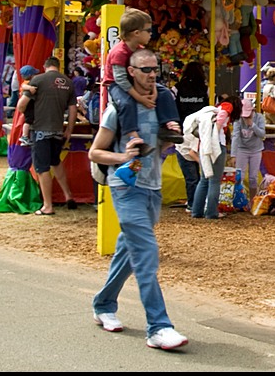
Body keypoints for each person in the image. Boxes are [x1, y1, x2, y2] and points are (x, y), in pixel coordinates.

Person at [87, 48, 188, 350]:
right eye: (145, 69)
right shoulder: (118, 108)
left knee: (128, 252)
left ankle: (103, 304)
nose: (151, 74)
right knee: (146, 253)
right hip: (125, 186)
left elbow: (167, 143)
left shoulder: (163, 104)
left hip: (152, 188)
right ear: (130, 71)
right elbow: (95, 152)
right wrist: (123, 155)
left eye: (155, 69)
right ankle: (158, 327)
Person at [103, 7, 183, 152]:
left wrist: (154, 91)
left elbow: (149, 73)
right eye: (148, 30)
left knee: (164, 92)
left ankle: (168, 124)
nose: (150, 34)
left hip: (136, 82)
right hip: (117, 85)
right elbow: (120, 79)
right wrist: (140, 98)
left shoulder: (139, 49)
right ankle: (133, 136)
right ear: (136, 33)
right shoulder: (119, 52)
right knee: (126, 103)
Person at [16, 56, 78, 215]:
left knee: (42, 168)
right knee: (55, 161)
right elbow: (73, 109)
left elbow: (21, 105)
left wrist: (29, 112)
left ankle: (47, 206)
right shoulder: (68, 83)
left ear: (45, 66)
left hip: (41, 129)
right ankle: (68, 195)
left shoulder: (38, 81)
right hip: (58, 129)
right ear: (58, 66)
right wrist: (69, 130)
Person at [190, 96, 242, 219]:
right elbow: (224, 113)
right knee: (214, 180)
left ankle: (196, 211)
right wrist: (216, 130)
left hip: (204, 145)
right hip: (217, 145)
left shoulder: (214, 109)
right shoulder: (227, 106)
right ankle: (211, 212)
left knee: (204, 179)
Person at [173, 60, 208, 211]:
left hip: (182, 133)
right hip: (201, 132)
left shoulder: (177, 89)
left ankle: (194, 203)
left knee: (191, 176)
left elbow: (172, 108)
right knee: (201, 176)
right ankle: (197, 204)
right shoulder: (205, 89)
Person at [231, 98, 266, 205]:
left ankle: (253, 201)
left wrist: (252, 125)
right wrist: (233, 154)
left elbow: (262, 134)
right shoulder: (238, 120)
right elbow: (235, 136)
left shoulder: (259, 118)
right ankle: (237, 200)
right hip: (242, 149)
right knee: (239, 176)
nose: (246, 117)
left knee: (253, 178)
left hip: (256, 150)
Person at [17, 65, 40, 146]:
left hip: (29, 105)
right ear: (30, 75)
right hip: (29, 105)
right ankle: (24, 136)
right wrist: (30, 88)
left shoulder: (27, 83)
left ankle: (25, 136)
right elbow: (24, 86)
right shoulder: (28, 83)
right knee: (28, 121)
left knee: (29, 120)